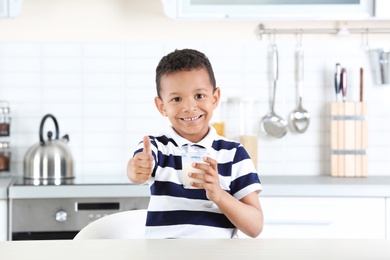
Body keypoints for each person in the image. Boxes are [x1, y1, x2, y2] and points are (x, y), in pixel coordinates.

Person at [126, 49, 263, 239]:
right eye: (176, 99)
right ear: (161, 106)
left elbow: (255, 227)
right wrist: (137, 169)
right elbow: (136, 170)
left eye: (199, 96)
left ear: (215, 98)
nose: (189, 107)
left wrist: (219, 195)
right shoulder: (157, 148)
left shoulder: (234, 154)